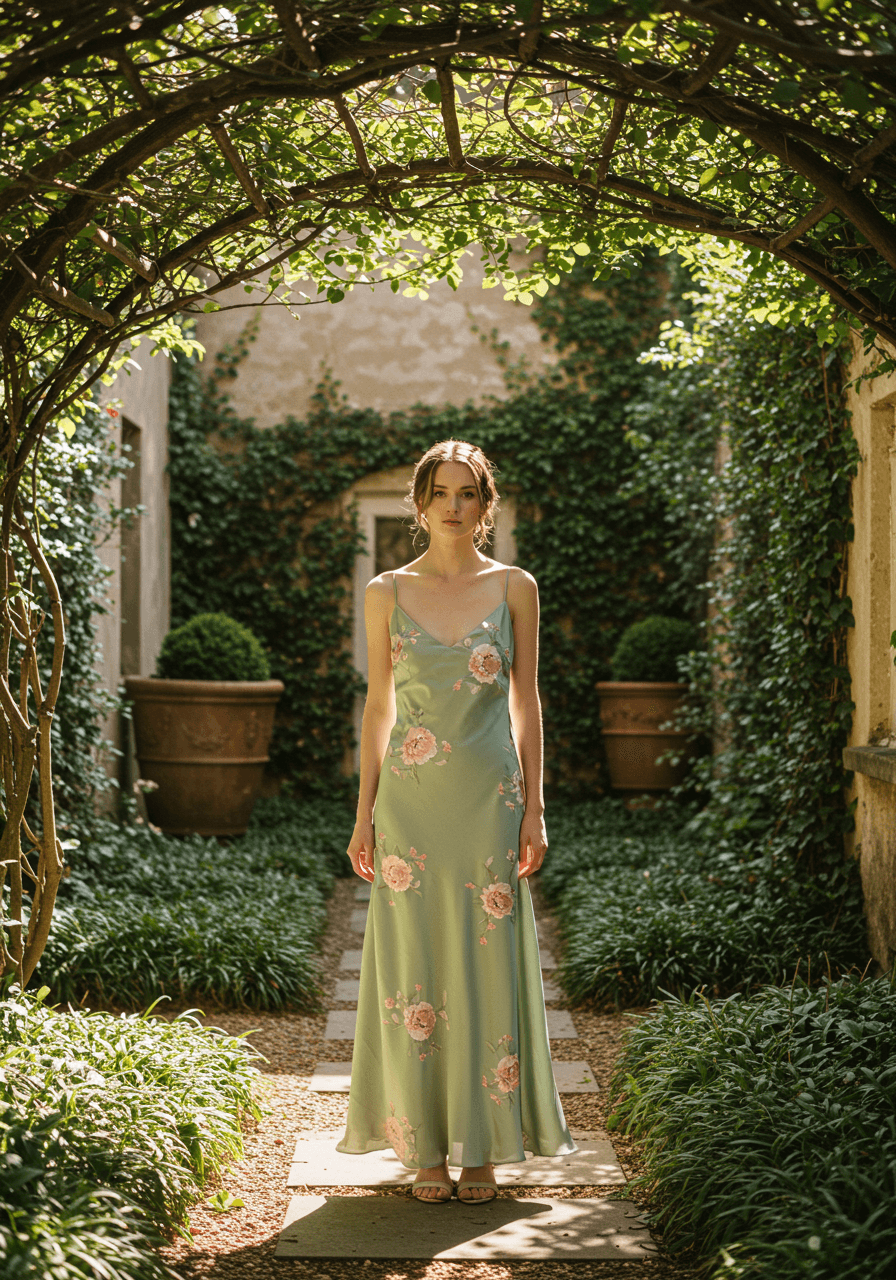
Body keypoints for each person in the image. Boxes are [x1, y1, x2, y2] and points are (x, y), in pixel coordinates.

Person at [337, 439, 575, 1204]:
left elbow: (526, 702)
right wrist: (364, 812)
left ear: (485, 503)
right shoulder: (385, 592)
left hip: (489, 806)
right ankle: (426, 1150)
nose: (452, 505)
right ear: (419, 504)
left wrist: (536, 808)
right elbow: (378, 707)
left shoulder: (515, 587)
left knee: (486, 967)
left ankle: (486, 1149)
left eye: (466, 492)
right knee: (416, 972)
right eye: (439, 493)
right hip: (409, 809)